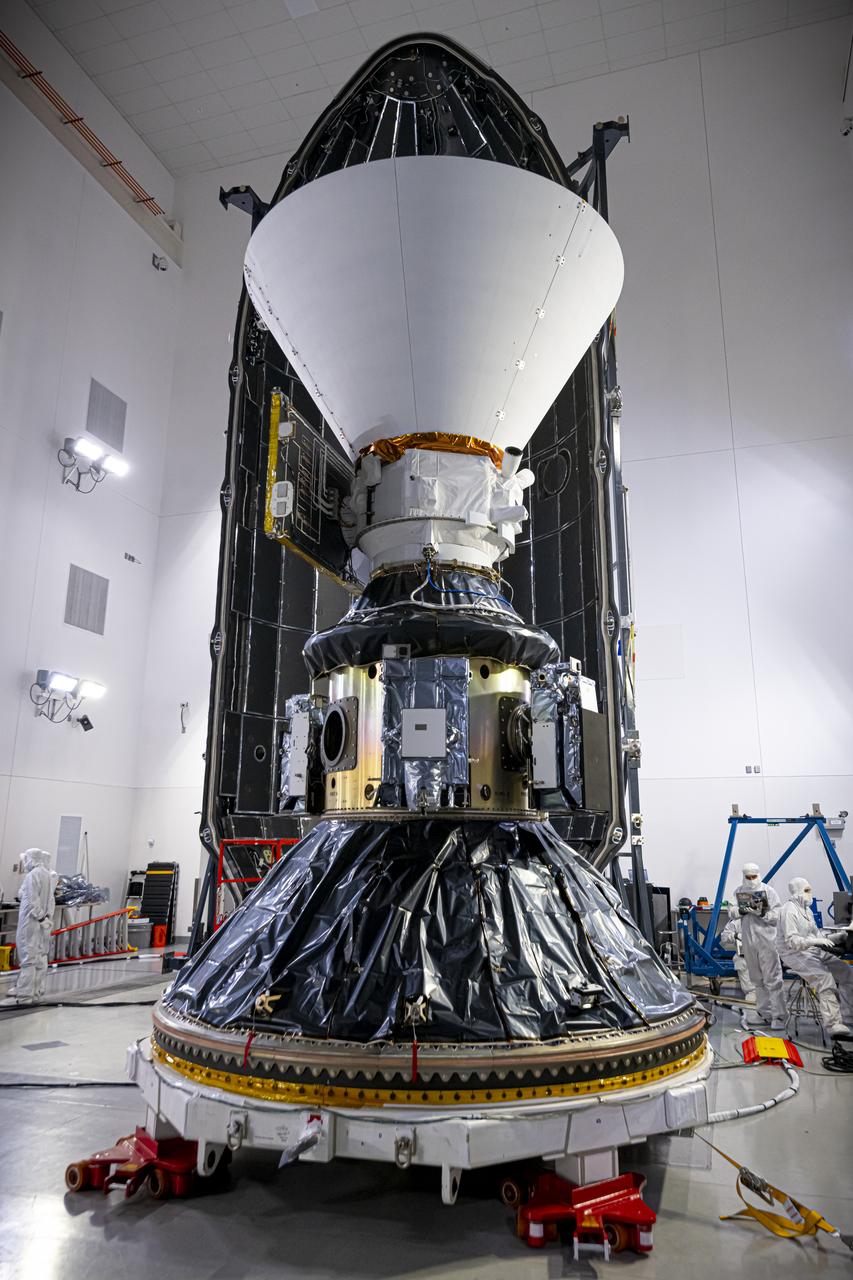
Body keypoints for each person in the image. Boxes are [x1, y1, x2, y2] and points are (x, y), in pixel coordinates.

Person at [777, 877, 853, 1037]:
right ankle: (833, 1025)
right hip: (794, 954)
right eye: (806, 890)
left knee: (847, 972)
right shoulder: (788, 910)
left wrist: (837, 936)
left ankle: (848, 1016)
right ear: (797, 891)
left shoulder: (807, 910)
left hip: (811, 950)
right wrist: (816, 940)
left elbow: (816, 934)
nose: (810, 894)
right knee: (824, 979)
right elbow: (792, 942)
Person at [734, 862, 786, 1028]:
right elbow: (731, 911)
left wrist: (762, 913)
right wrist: (743, 910)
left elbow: (776, 915)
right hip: (749, 942)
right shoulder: (739, 891)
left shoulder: (769, 892)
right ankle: (764, 1013)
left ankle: (779, 1017)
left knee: (773, 979)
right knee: (756, 979)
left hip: (766, 941)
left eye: (753, 876)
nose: (750, 880)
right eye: (747, 877)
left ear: (759, 875)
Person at [13, 849, 56, 1005]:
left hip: (30, 923)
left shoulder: (33, 875)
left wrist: (39, 916)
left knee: (27, 959)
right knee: (38, 958)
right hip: (41, 923)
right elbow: (51, 900)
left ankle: (24, 997)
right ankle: (36, 993)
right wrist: (46, 918)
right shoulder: (47, 875)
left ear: (31, 859)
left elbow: (32, 900)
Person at [720, 906, 756, 1003]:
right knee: (751, 992)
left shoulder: (761, 920)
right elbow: (724, 937)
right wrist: (735, 936)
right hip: (744, 960)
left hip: (761, 959)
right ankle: (752, 1014)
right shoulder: (736, 922)